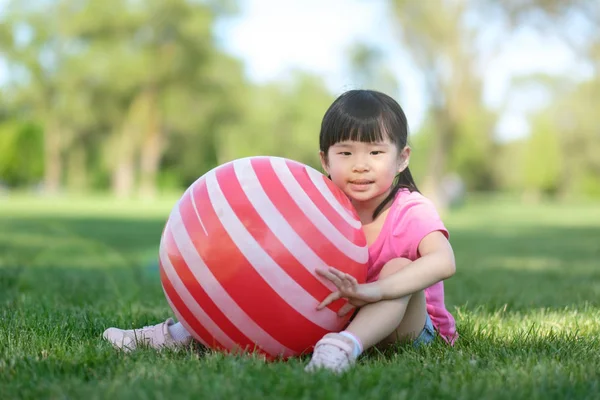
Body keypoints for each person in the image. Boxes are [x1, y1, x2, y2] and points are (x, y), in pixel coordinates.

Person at [102, 90, 458, 373]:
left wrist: (374, 290)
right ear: (325, 160)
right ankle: (181, 334)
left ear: (402, 158)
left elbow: (443, 262)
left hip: (411, 333)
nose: (360, 165)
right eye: (346, 152)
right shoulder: (316, 205)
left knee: (397, 267)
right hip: (336, 317)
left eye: (376, 152)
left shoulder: (409, 209)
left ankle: (343, 348)